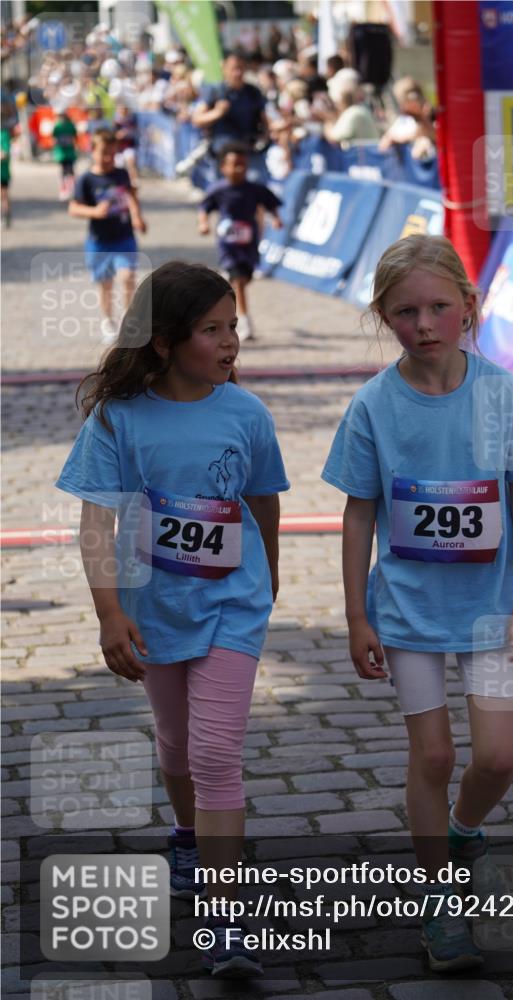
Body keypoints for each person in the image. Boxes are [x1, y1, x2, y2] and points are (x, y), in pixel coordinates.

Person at [321, 235, 513, 972]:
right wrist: (357, 613)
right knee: (433, 753)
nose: (422, 323)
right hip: (407, 613)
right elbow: (358, 511)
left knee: (496, 757)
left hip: (488, 611)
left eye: (437, 307)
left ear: (467, 308)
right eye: (404, 312)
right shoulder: (372, 407)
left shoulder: (502, 394)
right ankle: (439, 906)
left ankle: (461, 829)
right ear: (382, 317)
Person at [54, 261, 290, 978]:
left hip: (232, 609)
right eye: (211, 331)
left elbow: (265, 502)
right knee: (175, 743)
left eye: (232, 328)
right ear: (162, 341)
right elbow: (95, 523)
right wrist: (109, 614)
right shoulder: (118, 418)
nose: (229, 344)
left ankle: (225, 922)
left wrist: (268, 580)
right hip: (154, 612)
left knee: (215, 756)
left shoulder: (245, 413)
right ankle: (186, 835)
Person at [198, 141, 282, 343]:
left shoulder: (254, 189)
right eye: (234, 164)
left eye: (243, 164)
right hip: (228, 245)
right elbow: (204, 208)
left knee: (244, 279)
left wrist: (276, 218)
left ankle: (231, 299)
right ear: (223, 167)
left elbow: (270, 203)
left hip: (249, 244)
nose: (239, 168)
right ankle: (243, 321)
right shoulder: (218, 190)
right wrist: (203, 224)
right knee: (239, 282)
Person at [69, 129, 147, 344]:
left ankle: (128, 322)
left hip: (124, 237)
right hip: (99, 241)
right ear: (92, 151)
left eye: (112, 154)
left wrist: (137, 217)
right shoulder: (86, 179)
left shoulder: (121, 174)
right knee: (105, 284)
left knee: (127, 277)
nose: (108, 159)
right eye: (103, 153)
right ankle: (108, 322)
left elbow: (131, 196)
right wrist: (94, 212)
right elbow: (73, 208)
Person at [52, 108, 78, 201]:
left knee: (70, 171)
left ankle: (73, 189)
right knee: (63, 171)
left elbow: (75, 137)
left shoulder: (70, 125)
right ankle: (64, 190)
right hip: (62, 154)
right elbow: (54, 138)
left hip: (69, 153)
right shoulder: (57, 126)